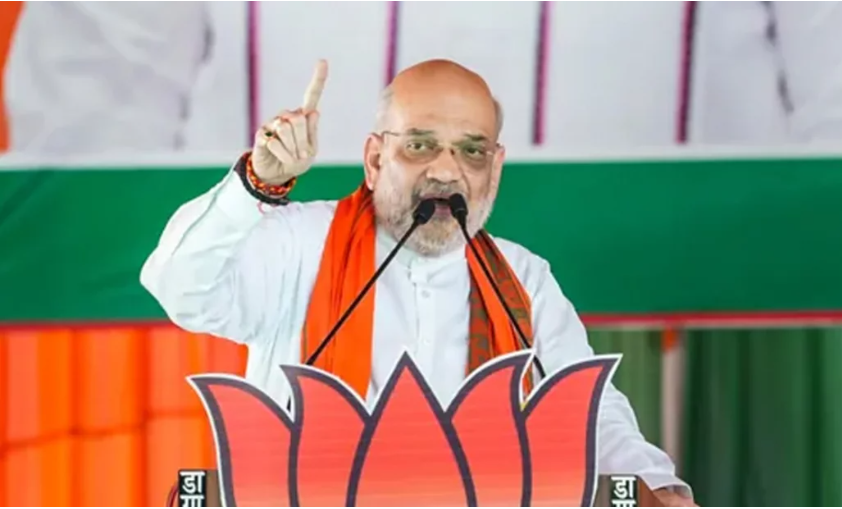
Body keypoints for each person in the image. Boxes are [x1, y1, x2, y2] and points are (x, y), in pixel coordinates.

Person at [140, 59, 696, 506]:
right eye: (420, 145)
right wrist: (257, 184)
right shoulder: (300, 244)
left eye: (472, 151)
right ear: (375, 159)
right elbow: (179, 286)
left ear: (494, 169)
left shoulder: (522, 279)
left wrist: (657, 485)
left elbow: (588, 410)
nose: (447, 171)